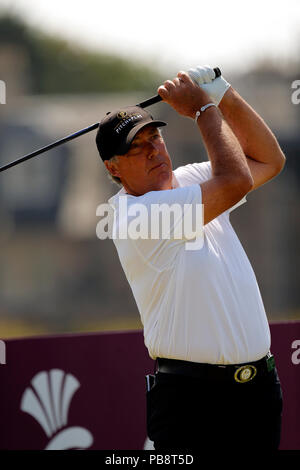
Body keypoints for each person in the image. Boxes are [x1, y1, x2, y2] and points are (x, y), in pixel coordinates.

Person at [95, 66, 285, 451]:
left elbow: (270, 160)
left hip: (259, 392)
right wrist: (203, 109)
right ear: (112, 167)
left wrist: (224, 94)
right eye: (137, 146)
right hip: (193, 402)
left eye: (156, 137)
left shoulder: (190, 180)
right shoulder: (132, 217)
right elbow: (236, 181)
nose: (154, 150)